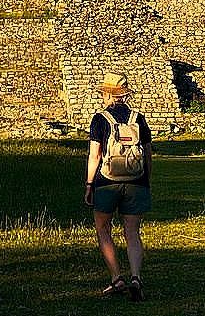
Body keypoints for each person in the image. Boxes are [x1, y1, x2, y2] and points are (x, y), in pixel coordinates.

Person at [84, 72, 152, 301]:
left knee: (103, 229)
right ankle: (135, 277)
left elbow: (95, 156)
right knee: (132, 232)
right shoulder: (138, 118)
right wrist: (145, 181)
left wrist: (89, 184)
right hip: (136, 181)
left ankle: (116, 278)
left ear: (107, 94)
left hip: (107, 182)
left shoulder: (100, 119)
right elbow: (149, 156)